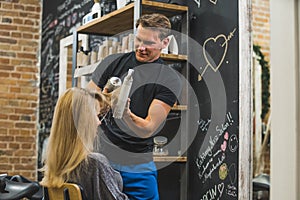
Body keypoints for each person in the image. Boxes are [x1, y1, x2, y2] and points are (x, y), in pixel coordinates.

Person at [87, 13, 182, 200]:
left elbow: (148, 128)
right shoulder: (112, 63)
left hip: (138, 166)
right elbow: (86, 102)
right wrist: (103, 101)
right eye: (138, 40)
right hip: (101, 159)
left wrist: (126, 114)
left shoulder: (169, 80)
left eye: (149, 43)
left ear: (165, 43)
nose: (141, 48)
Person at [39, 87, 128, 200]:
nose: (99, 122)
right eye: (96, 116)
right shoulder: (94, 164)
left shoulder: (54, 166)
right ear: (85, 122)